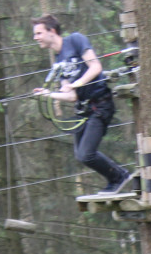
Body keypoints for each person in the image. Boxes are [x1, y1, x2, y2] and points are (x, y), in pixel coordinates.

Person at [30, 14, 133, 194]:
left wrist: (77, 83)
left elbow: (95, 67)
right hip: (84, 110)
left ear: (52, 31)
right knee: (81, 156)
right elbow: (71, 97)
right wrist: (49, 94)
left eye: (38, 33)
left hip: (100, 105)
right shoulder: (59, 62)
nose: (35, 37)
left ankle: (121, 177)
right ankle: (116, 178)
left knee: (86, 153)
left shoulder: (76, 40)